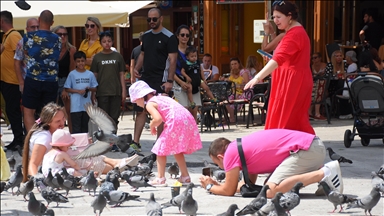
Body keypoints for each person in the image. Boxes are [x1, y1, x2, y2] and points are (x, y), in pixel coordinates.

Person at [199, 129, 344, 198]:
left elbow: (229, 192)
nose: (221, 167)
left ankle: (325, 173)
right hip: (312, 147)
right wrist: (220, 186)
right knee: (267, 187)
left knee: (270, 191)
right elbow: (243, 185)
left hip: (308, 150)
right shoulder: (241, 151)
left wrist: (210, 187)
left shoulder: (230, 152)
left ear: (220, 156)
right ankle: (327, 180)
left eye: (218, 163)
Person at [244, 1, 315, 135]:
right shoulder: (292, 33)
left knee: (287, 121)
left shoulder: (294, 34)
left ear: (289, 16)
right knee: (291, 121)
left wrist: (258, 77)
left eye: (278, 17)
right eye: (274, 17)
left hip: (291, 82)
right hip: (290, 80)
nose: (275, 20)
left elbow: (278, 59)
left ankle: (301, 148)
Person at [21, 102, 139, 182]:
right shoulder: (43, 138)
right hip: (51, 170)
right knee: (85, 159)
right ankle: (117, 166)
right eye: (58, 121)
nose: (62, 123)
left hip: (59, 163)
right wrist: (38, 181)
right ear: (48, 123)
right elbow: (33, 164)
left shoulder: (53, 132)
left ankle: (117, 165)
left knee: (87, 153)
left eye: (63, 119)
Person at [129, 81, 202, 186]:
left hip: (175, 122)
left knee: (160, 149)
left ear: (140, 97)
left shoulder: (150, 104)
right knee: (178, 149)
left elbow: (157, 119)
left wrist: (151, 125)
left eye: (135, 101)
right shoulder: (162, 97)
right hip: (186, 119)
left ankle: (160, 178)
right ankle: (185, 176)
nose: (136, 104)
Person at [131, 8, 178, 151]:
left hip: (161, 79)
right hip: (146, 79)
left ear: (161, 19)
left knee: (160, 112)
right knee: (140, 110)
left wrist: (169, 81)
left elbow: (173, 59)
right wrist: (137, 69)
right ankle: (135, 142)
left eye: (154, 19)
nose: (151, 22)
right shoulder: (146, 36)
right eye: (149, 19)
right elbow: (143, 54)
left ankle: (159, 144)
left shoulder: (169, 37)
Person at [22, 10, 61, 133]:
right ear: (52, 22)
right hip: (51, 80)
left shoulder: (29, 37)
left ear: (39, 20)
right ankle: (48, 139)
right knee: (49, 112)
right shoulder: (58, 39)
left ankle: (32, 140)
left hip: (33, 78)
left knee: (28, 110)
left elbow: (26, 52)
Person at [0, 10, 24, 152]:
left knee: (13, 111)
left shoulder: (14, 35)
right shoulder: (7, 36)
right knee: (10, 110)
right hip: (7, 80)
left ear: (2, 22)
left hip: (13, 81)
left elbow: (20, 55)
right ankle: (17, 138)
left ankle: (19, 140)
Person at [90, 31, 126, 127]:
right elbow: (94, 76)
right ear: (100, 43)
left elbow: (122, 74)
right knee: (103, 117)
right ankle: (106, 139)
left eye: (109, 41)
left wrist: (123, 90)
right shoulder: (97, 58)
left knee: (114, 117)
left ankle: (113, 138)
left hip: (115, 91)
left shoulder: (118, 56)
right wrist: (93, 92)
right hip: (102, 92)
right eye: (104, 41)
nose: (107, 43)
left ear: (112, 42)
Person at [173, 24, 202, 121]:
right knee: (183, 110)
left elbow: (199, 67)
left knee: (194, 109)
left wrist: (202, 81)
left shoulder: (192, 50)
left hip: (193, 82)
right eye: (182, 35)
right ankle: (183, 134)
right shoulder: (173, 51)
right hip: (178, 81)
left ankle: (193, 134)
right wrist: (181, 83)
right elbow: (170, 71)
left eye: (187, 35)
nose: (185, 37)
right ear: (177, 36)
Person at [64, 51, 98, 133]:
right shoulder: (72, 74)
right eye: (78, 61)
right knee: (76, 128)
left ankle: (84, 145)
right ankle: (77, 145)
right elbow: (67, 88)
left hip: (86, 105)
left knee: (85, 127)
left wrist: (89, 89)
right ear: (75, 62)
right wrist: (77, 91)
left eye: (82, 61)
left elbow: (95, 88)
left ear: (85, 61)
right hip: (75, 106)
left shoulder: (90, 74)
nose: (80, 63)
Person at [52, 25, 76, 133]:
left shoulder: (71, 50)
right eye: (59, 34)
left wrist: (66, 88)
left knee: (68, 112)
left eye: (65, 34)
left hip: (65, 80)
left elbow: (71, 70)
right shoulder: (50, 49)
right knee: (52, 112)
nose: (62, 36)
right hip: (52, 80)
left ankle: (71, 137)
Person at [220, 57, 251, 123]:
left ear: (239, 64)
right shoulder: (232, 73)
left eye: (235, 64)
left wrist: (236, 86)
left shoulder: (243, 72)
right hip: (235, 92)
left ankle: (231, 118)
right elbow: (231, 80)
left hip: (245, 92)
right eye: (232, 64)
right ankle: (229, 118)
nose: (234, 66)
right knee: (224, 99)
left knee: (230, 99)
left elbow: (246, 85)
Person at [129, 31, 146, 151]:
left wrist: (132, 78)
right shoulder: (148, 48)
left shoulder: (135, 50)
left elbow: (132, 65)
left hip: (139, 82)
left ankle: (136, 141)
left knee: (140, 111)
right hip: (147, 81)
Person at [14, 18, 39, 94]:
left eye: (38, 27)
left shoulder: (44, 41)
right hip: (28, 80)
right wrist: (21, 82)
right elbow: (16, 63)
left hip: (43, 80)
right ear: (27, 29)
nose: (36, 29)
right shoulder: (22, 43)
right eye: (33, 27)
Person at [309, 52, 327, 120]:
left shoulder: (325, 65)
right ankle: (311, 113)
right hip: (313, 86)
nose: (313, 59)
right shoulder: (310, 66)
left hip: (323, 86)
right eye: (312, 58)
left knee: (318, 90)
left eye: (315, 58)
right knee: (312, 91)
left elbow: (327, 76)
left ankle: (316, 113)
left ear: (320, 58)